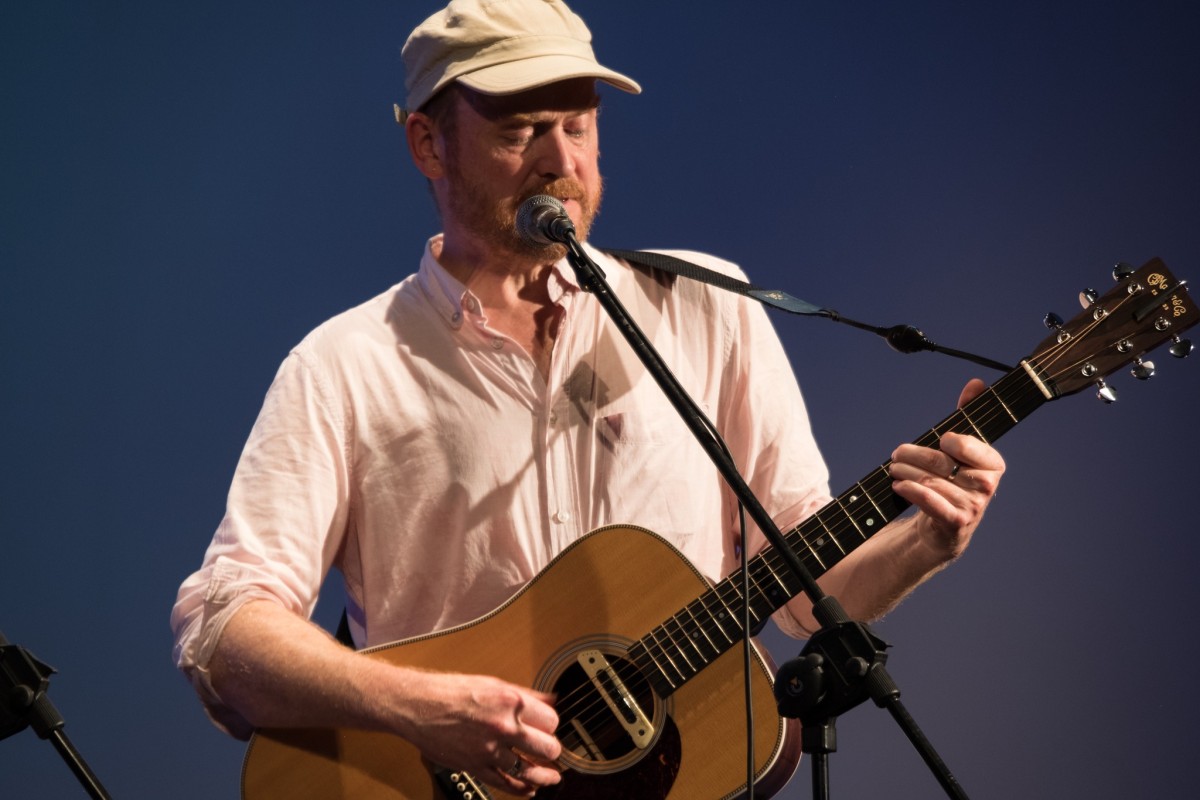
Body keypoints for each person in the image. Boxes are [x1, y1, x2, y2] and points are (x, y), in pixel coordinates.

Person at [170, 0, 1005, 795]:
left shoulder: (706, 306)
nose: (560, 163)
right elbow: (224, 634)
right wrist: (423, 711)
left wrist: (925, 538)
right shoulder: (344, 366)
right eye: (520, 131)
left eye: (578, 126)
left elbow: (799, 586)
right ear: (428, 143)